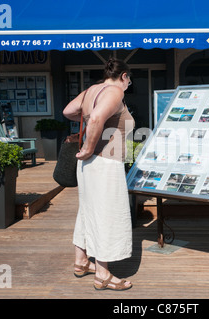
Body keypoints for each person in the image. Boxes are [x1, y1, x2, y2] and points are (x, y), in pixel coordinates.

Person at [63, 58, 134, 291]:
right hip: (104, 163)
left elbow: (69, 111)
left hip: (89, 165)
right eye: (129, 80)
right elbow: (95, 118)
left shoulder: (91, 91)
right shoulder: (114, 91)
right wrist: (89, 146)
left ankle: (81, 261)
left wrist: (87, 144)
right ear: (123, 76)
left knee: (88, 210)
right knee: (107, 214)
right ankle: (103, 274)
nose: (129, 84)